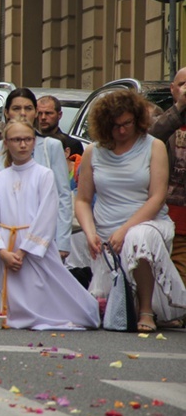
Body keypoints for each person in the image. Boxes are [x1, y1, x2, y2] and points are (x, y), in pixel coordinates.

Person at [76, 90, 186, 332]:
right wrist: (89, 232)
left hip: (149, 223)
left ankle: (146, 309)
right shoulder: (92, 152)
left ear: (137, 119)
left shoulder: (153, 146)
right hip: (106, 229)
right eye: (115, 126)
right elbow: (83, 200)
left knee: (138, 237)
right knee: (107, 307)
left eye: (127, 124)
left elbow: (157, 198)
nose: (122, 131)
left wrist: (125, 230)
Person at [0, 119, 99, 330]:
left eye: (27, 139)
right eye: (16, 140)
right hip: (7, 246)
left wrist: (24, 251)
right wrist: (1, 251)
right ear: (7, 144)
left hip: (32, 247)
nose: (23, 144)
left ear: (34, 142)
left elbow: (47, 214)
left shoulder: (44, 175)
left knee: (41, 288)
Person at [0, 88, 72, 258]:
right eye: (16, 108)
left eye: (28, 108)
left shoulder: (51, 146)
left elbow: (63, 196)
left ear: (36, 113)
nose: (23, 113)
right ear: (7, 112)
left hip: (44, 240)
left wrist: (62, 241)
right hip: (6, 242)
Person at [149, 68, 186, 287]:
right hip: (168, 214)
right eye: (182, 85)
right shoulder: (164, 118)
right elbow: (149, 138)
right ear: (172, 89)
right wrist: (179, 108)